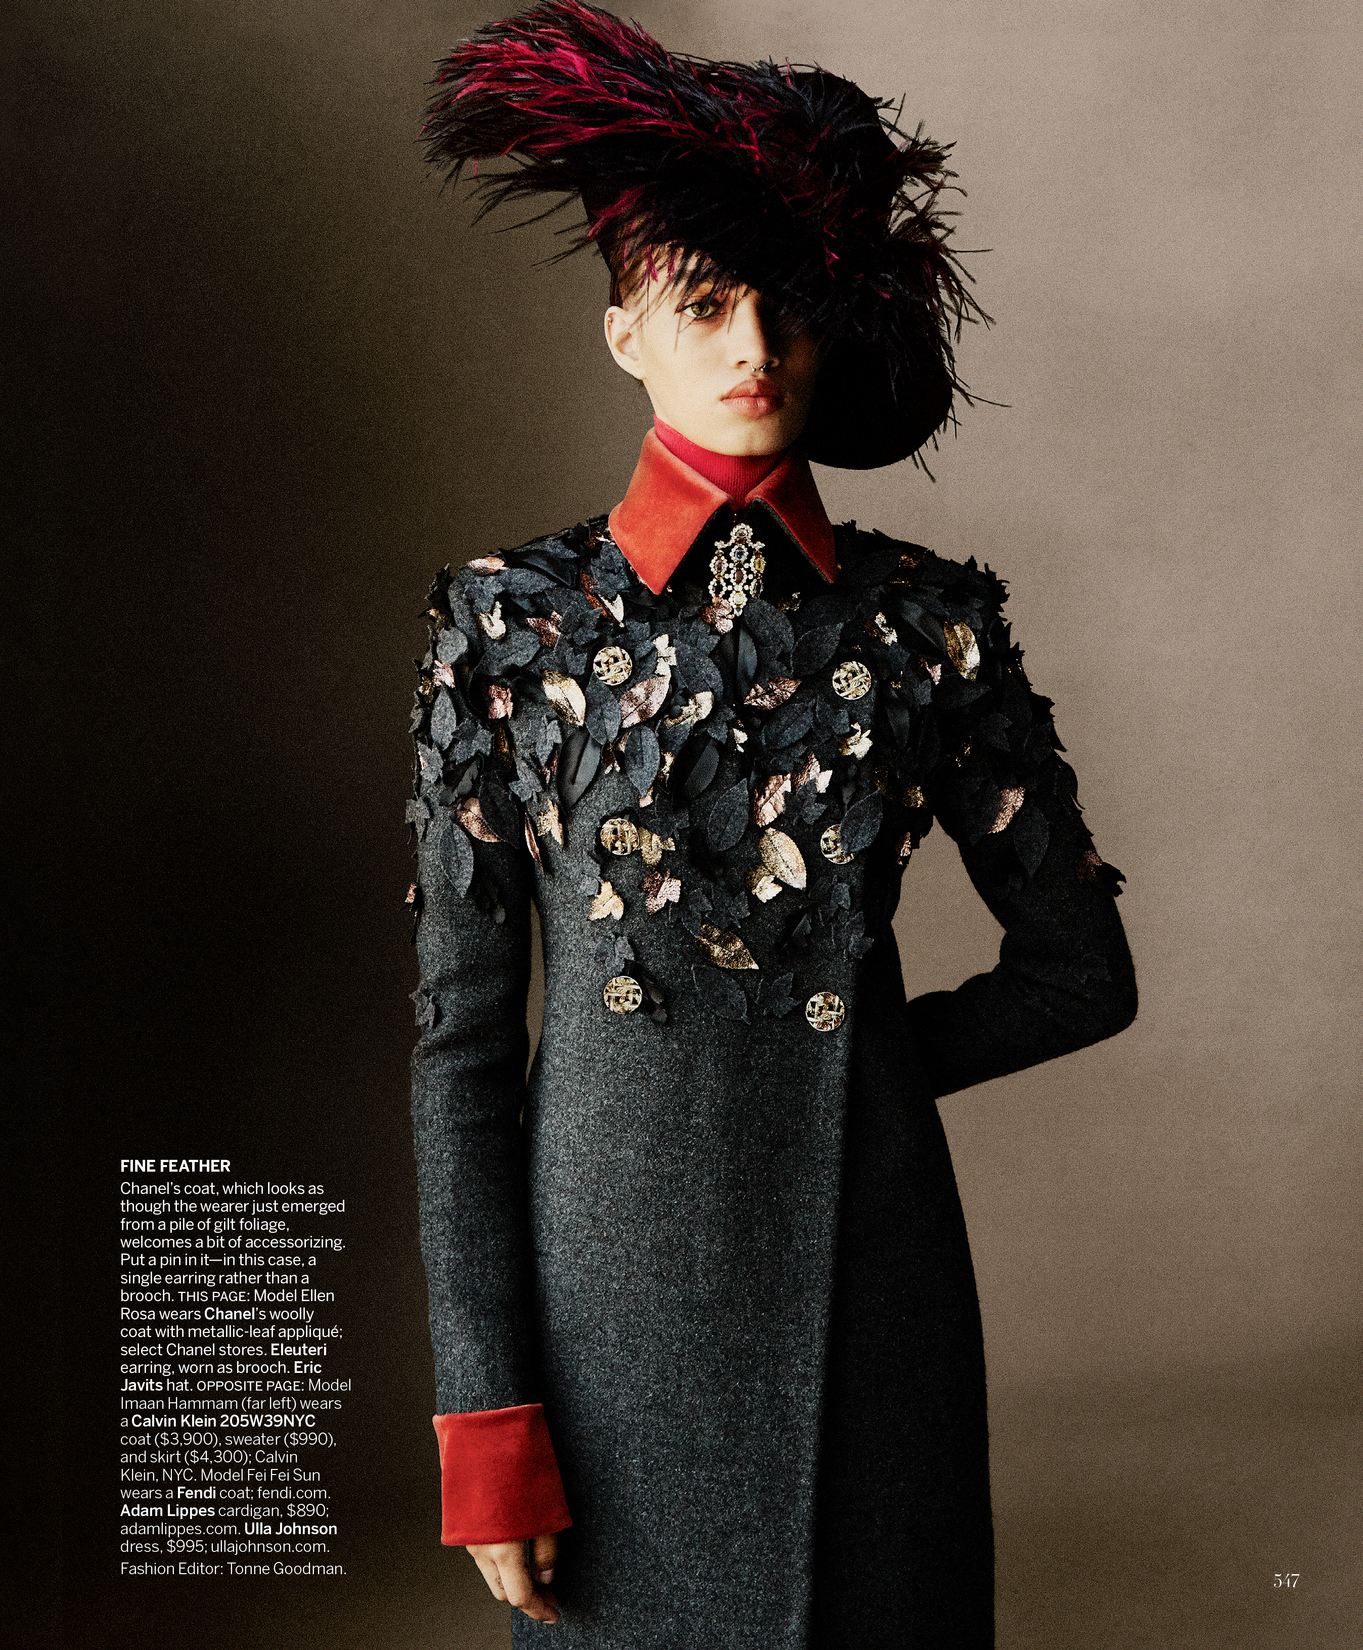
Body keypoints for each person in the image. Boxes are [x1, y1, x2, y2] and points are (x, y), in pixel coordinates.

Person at [406, 4, 1136, 1644]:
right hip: (605, 1333)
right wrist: (485, 1422)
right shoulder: (508, 628)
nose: (752, 345)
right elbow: (458, 1053)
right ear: (624, 334)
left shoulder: (927, 623)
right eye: (703, 304)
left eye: (786, 306)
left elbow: (1082, 972)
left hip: (871, 1306)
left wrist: (838, 1066)